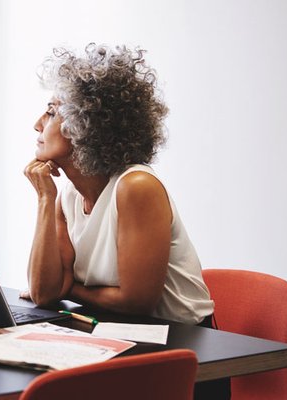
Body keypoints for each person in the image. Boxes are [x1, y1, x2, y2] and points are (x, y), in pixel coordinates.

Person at [22, 44, 228, 399]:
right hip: (117, 342)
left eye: (52, 112)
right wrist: (45, 198)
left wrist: (68, 289)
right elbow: (43, 292)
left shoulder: (136, 187)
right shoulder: (68, 194)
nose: (38, 124)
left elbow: (136, 302)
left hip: (182, 356)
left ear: (85, 124)